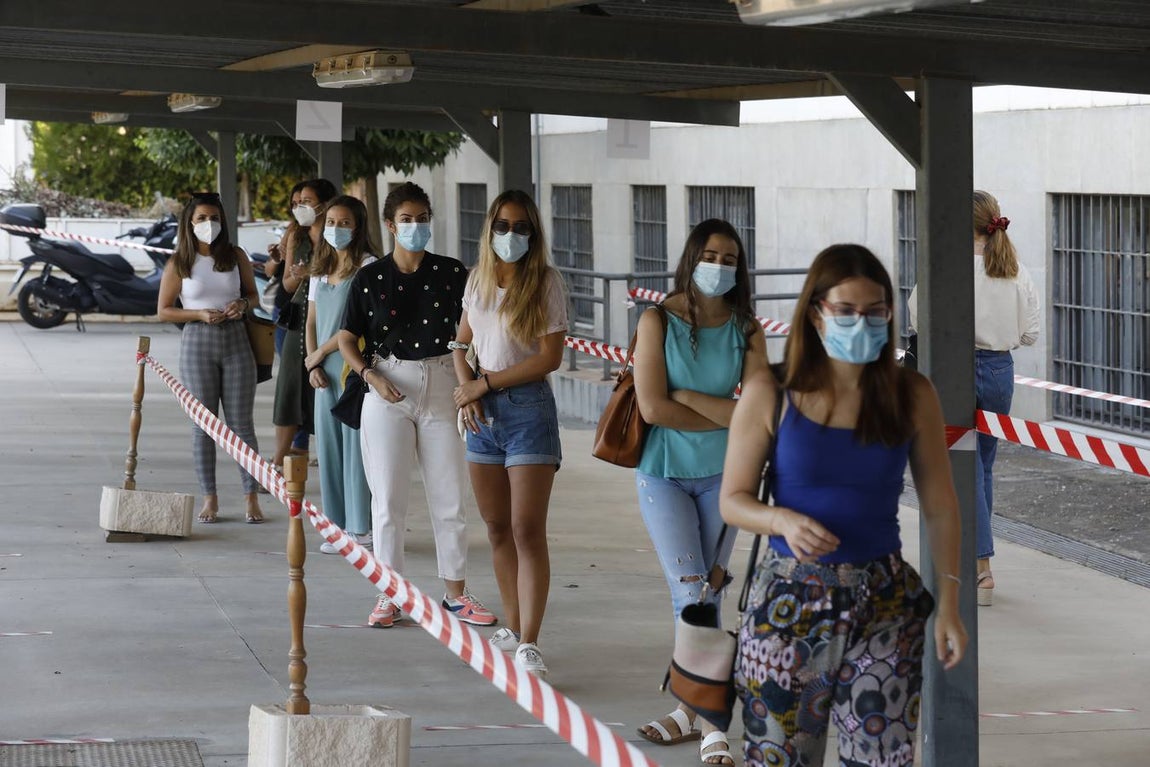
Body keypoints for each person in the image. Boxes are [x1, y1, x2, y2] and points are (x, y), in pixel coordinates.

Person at [720, 244, 967, 767]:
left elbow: (941, 507)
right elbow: (733, 500)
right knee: (778, 758)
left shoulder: (912, 394)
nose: (863, 322)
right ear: (815, 312)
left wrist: (949, 604)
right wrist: (779, 518)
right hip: (787, 605)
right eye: (846, 310)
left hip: (884, 605)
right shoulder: (772, 390)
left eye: (876, 311)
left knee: (884, 757)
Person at [632, 220, 767, 766]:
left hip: (728, 478)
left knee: (707, 590)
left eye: (730, 258)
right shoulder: (656, 320)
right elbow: (651, 408)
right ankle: (713, 724)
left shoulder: (747, 329)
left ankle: (690, 709)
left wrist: (687, 394)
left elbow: (756, 412)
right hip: (662, 473)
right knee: (691, 590)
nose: (720, 265)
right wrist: (726, 417)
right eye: (710, 254)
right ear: (691, 258)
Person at [337, 182, 496, 630]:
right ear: (390, 225)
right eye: (406, 220)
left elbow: (469, 334)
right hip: (389, 383)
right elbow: (348, 337)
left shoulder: (452, 273)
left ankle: (456, 594)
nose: (416, 227)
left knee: (449, 496)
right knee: (388, 500)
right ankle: (390, 593)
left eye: (422, 219)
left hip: (444, 378)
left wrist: (471, 387)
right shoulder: (370, 278)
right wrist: (369, 376)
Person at [451, 189, 567, 679]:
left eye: (521, 227)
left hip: (527, 409)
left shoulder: (545, 282)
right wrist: (468, 390)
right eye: (503, 225)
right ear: (489, 228)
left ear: (533, 233)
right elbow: (460, 341)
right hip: (482, 414)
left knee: (526, 528)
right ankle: (515, 629)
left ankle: (532, 641)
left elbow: (549, 358)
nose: (511, 235)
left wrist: (486, 383)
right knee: (496, 527)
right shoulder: (477, 279)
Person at [909, 190, 1039, 606]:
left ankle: (979, 567)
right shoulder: (1015, 268)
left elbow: (916, 317)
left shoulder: (945, 266)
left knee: (960, 466)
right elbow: (1030, 333)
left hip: (955, 369)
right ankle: (979, 565)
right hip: (1000, 370)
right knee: (983, 465)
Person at [157, 192, 265, 524]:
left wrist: (242, 305)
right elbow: (164, 310)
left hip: (236, 340)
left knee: (242, 425)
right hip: (197, 342)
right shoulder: (180, 261)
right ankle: (210, 498)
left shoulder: (235, 256)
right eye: (202, 219)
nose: (209, 224)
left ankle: (251, 498)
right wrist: (198, 314)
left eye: (214, 218)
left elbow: (253, 294)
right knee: (203, 426)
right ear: (189, 224)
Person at [305, 195, 376, 554]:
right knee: (329, 447)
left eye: (344, 222)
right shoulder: (320, 269)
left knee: (355, 449)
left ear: (359, 226)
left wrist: (320, 353)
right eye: (330, 222)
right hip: (324, 372)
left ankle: (361, 528)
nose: (336, 229)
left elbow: (356, 325)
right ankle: (335, 527)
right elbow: (313, 320)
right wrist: (313, 362)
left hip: (353, 368)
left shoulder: (369, 267)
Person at [272, 178, 338, 472]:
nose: (301, 207)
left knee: (327, 388)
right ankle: (276, 463)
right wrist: (299, 275)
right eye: (298, 203)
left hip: (330, 318)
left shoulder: (338, 234)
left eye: (308, 201)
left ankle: (331, 460)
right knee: (288, 389)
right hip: (298, 319)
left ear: (324, 204)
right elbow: (285, 283)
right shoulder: (296, 238)